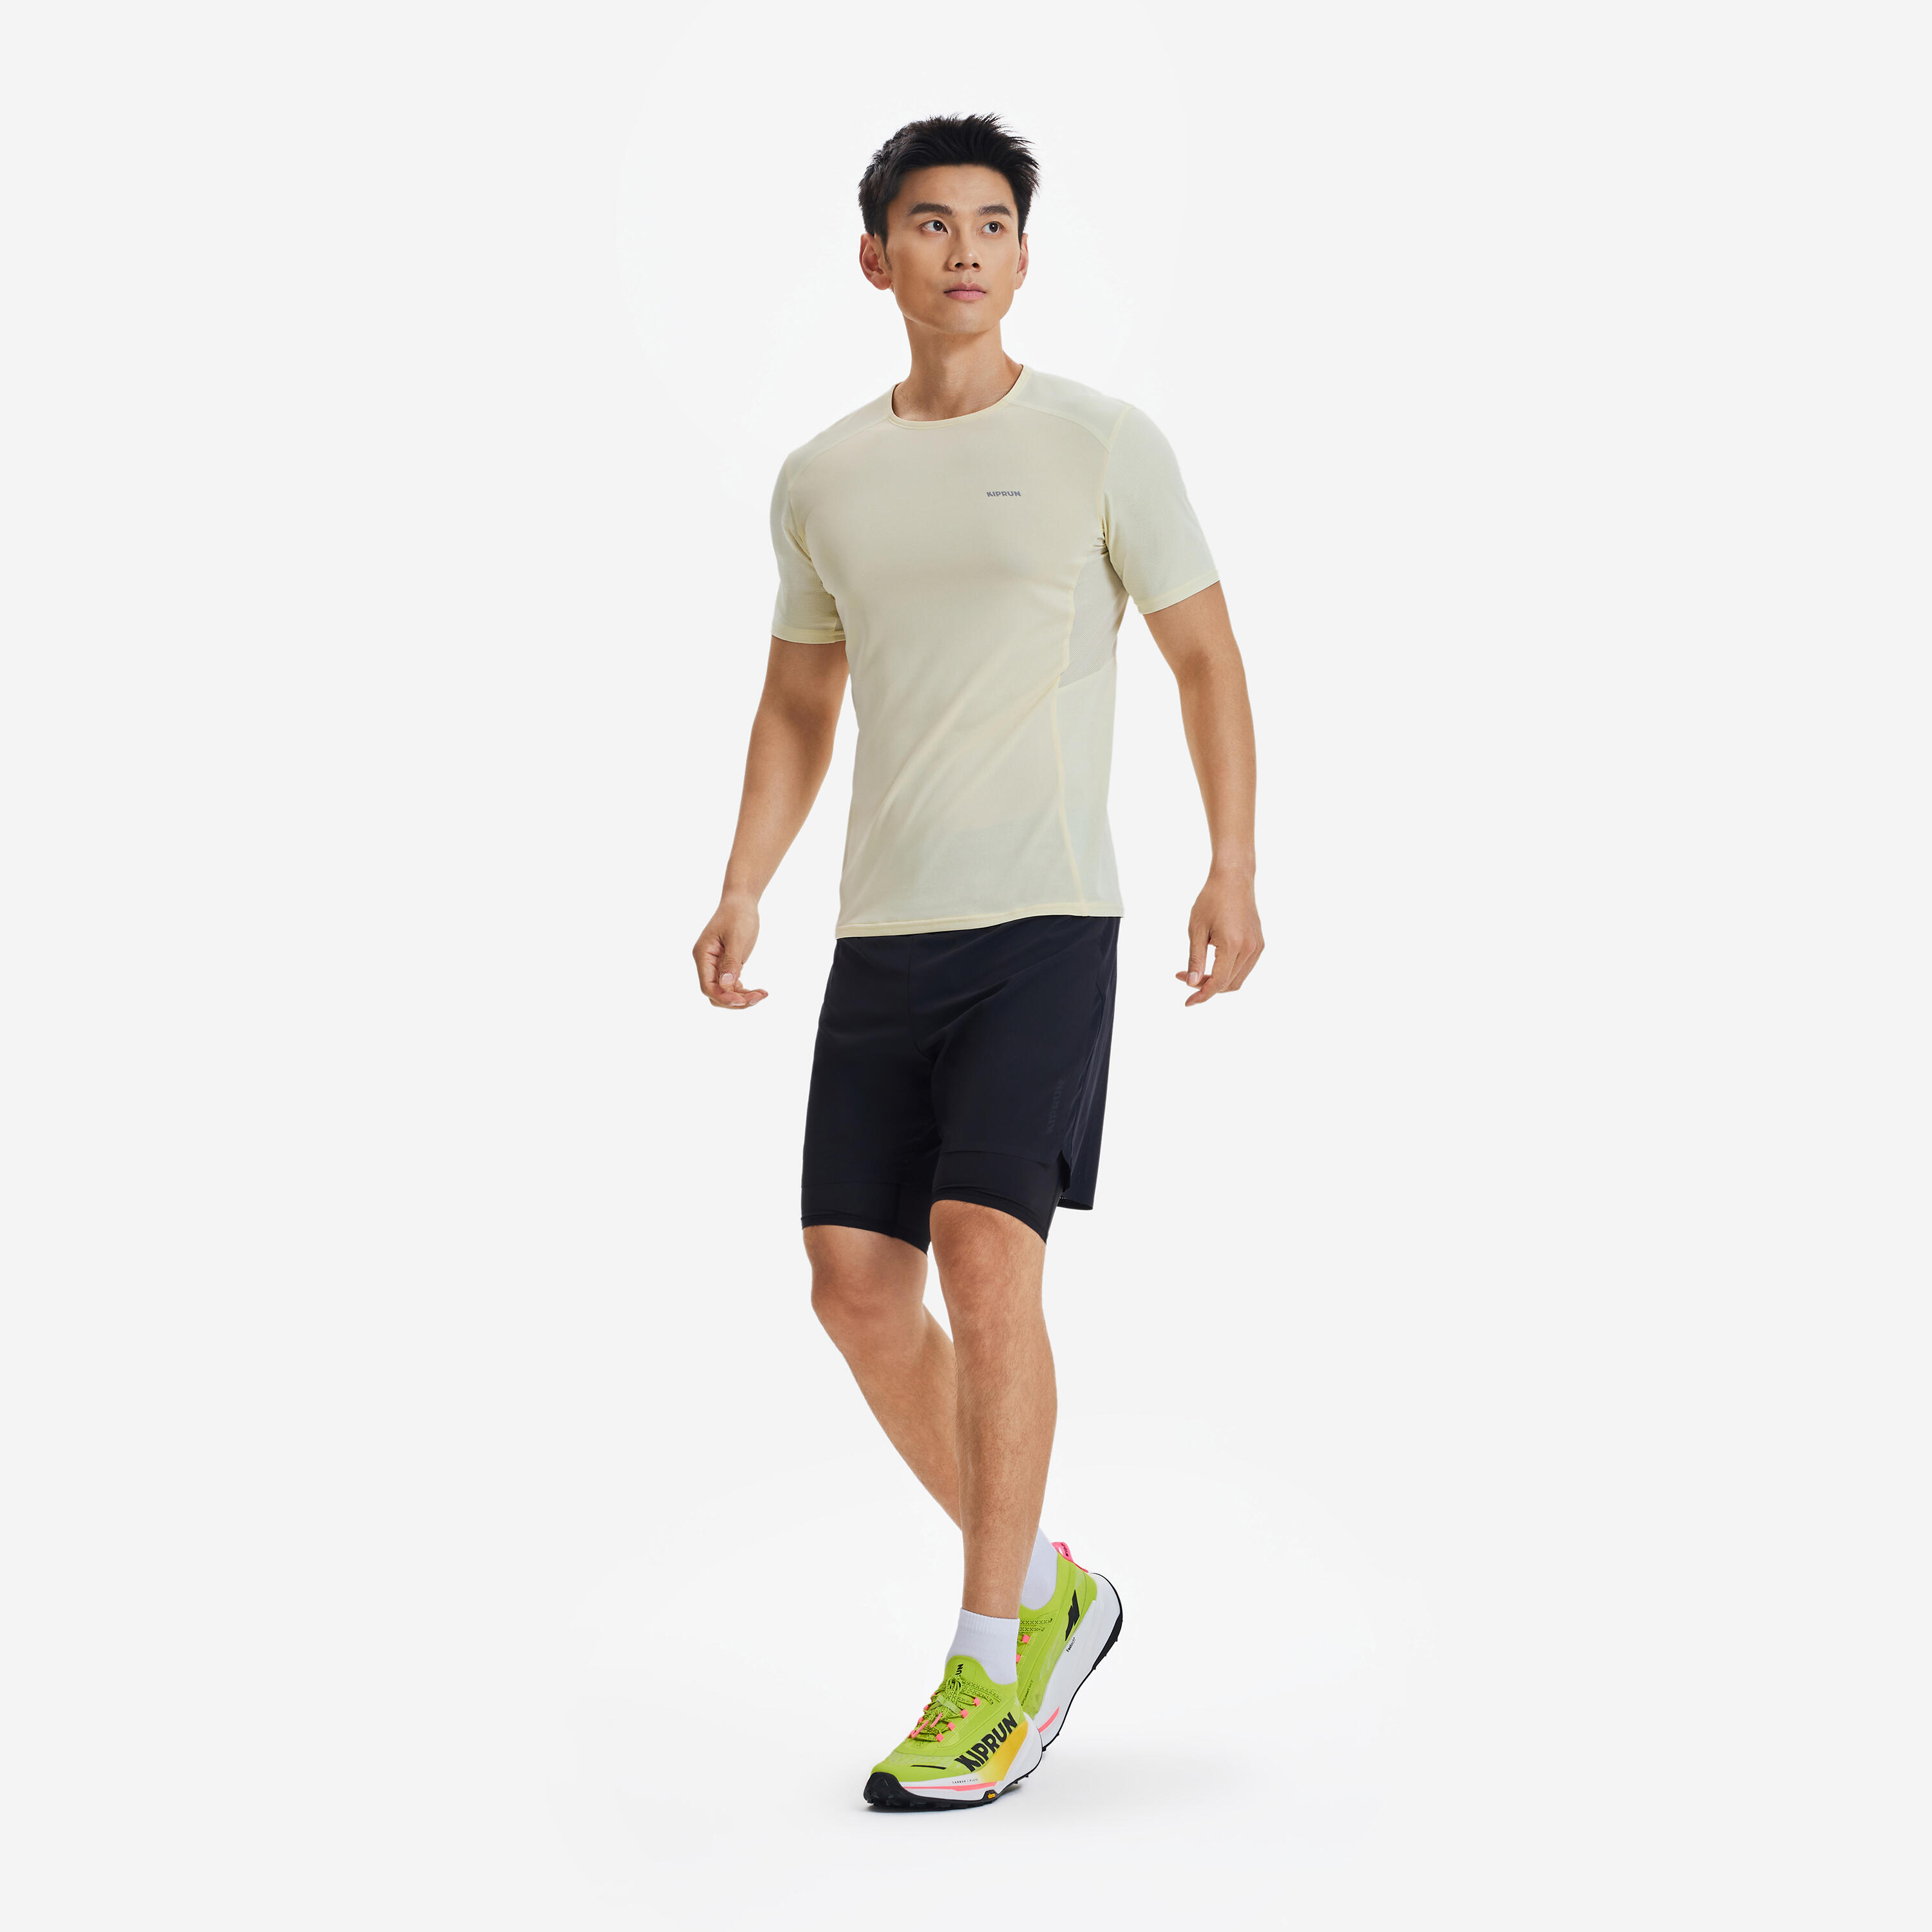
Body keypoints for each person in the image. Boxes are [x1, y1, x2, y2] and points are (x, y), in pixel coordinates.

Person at [691, 113, 1264, 1809]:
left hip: (1043, 920)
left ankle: (986, 1665)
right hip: (883, 931)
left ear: (1024, 254)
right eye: (932, 223)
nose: (964, 248)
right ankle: (1050, 1588)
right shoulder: (823, 477)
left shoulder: (1101, 444)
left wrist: (1232, 862)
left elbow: (1206, 658)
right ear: (877, 257)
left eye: (993, 223)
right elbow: (799, 698)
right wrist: (744, 882)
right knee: (853, 1287)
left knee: (982, 1252)